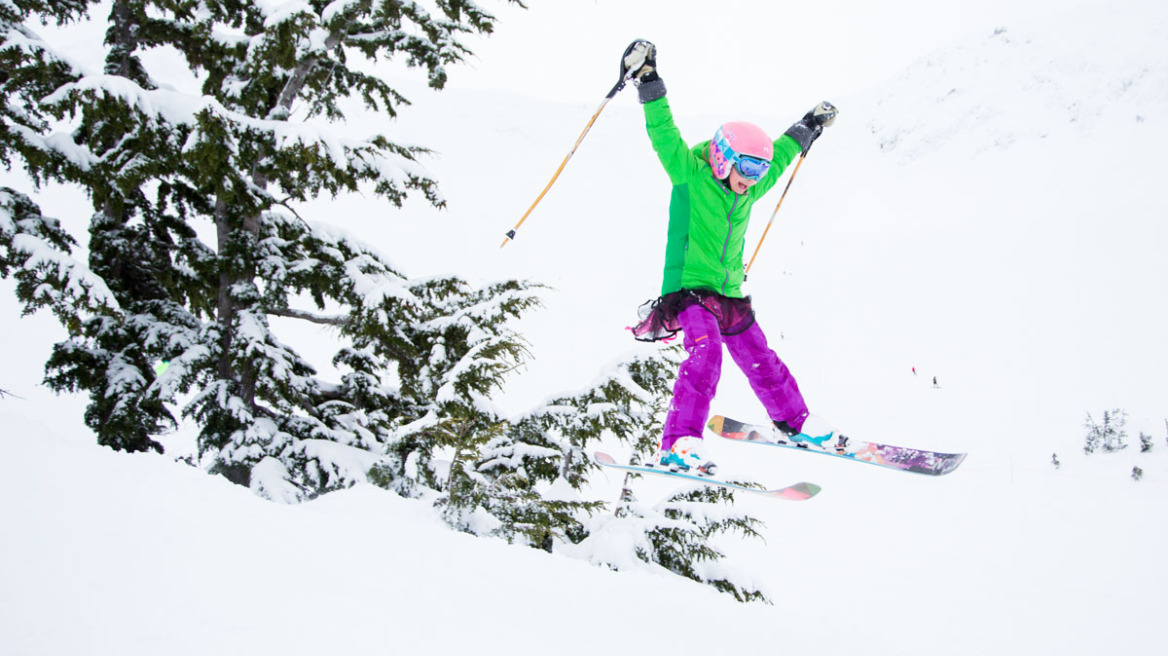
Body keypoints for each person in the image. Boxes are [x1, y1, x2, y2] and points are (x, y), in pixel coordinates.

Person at [622, 41, 840, 476]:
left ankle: (794, 422)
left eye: (756, 174)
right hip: (689, 293)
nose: (753, 180)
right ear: (723, 160)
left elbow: (778, 155)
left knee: (761, 356)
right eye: (747, 170)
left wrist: (809, 125)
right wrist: (648, 79)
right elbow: (664, 133)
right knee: (706, 355)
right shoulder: (690, 174)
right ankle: (680, 442)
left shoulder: (749, 188)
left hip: (729, 293)